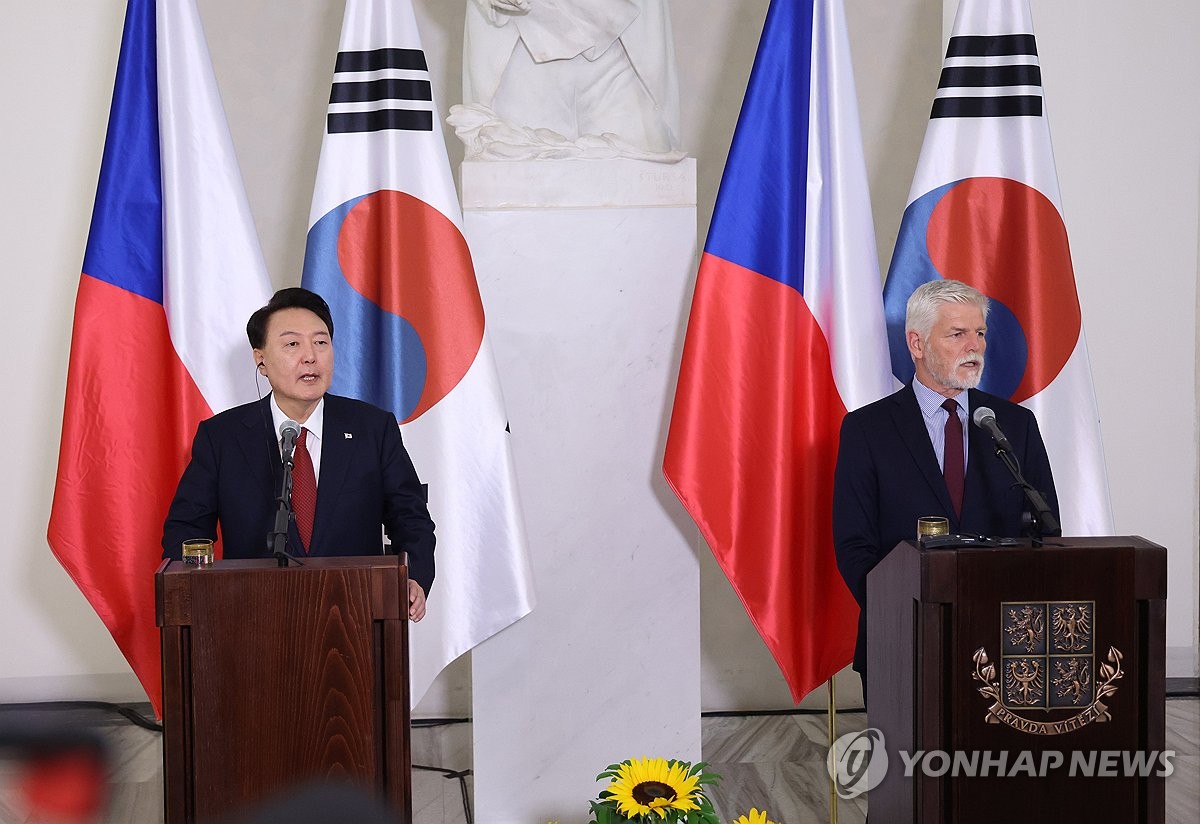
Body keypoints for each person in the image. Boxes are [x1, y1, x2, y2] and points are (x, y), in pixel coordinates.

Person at [832, 279, 1058, 696]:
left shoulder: (1014, 426)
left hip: (1003, 644)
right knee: (908, 761)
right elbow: (854, 545)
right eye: (958, 334)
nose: (975, 347)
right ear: (917, 343)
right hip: (902, 639)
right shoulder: (867, 430)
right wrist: (901, 613)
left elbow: (1044, 529)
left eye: (980, 333)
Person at [162, 288, 435, 621]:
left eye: (321, 343)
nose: (310, 356)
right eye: (292, 344)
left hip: (355, 617)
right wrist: (194, 589)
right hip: (250, 623)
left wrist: (414, 577)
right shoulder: (222, 437)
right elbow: (188, 530)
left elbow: (410, 517)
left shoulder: (372, 429)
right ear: (260, 359)